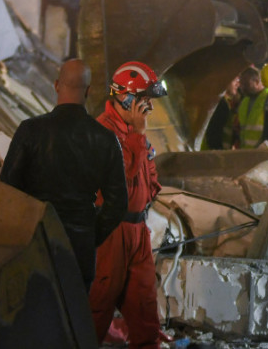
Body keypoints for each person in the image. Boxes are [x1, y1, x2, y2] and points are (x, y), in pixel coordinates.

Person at [0, 59, 128, 292]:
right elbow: (118, 204)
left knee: (35, 317)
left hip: (35, 244)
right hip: (79, 249)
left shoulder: (30, 130)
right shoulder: (105, 140)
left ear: (57, 85)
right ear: (88, 91)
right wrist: (90, 234)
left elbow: (7, 189)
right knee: (73, 321)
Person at [90, 61, 167, 348]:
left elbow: (151, 181)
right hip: (110, 233)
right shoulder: (101, 132)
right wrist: (136, 135)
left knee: (145, 313)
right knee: (97, 309)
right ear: (126, 97)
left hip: (138, 232)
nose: (148, 105)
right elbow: (118, 182)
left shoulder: (136, 133)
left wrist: (139, 138)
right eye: (144, 98)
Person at [236, 66, 268, 149]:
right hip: (245, 153)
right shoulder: (244, 101)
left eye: (245, 84)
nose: (242, 88)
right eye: (241, 84)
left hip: (262, 152)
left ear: (257, 82)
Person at [202, 75, 241, 150]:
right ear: (225, 82)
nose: (238, 84)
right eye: (235, 80)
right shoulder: (221, 104)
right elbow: (214, 133)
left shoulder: (221, 102)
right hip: (214, 153)